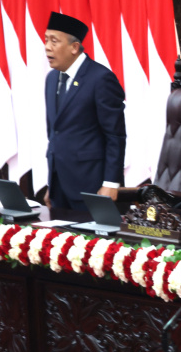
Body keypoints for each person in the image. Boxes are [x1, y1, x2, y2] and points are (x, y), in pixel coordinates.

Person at [44, 12, 126, 211]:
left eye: (54, 41)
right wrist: (51, 184)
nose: (47, 47)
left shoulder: (100, 79)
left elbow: (115, 135)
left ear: (74, 47)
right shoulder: (51, 79)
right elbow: (55, 133)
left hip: (93, 187)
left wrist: (111, 183)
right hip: (59, 187)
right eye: (46, 40)